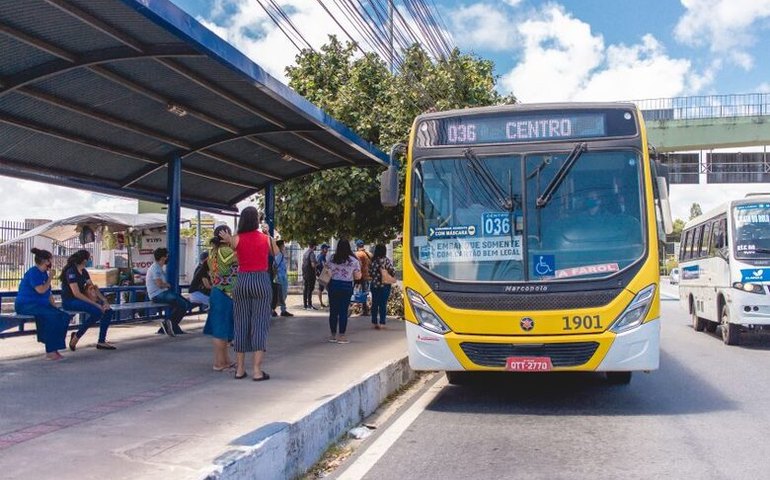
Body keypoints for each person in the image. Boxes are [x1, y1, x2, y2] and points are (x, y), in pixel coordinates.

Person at [219, 206, 279, 381]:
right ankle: (257, 371)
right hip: (261, 281)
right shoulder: (265, 239)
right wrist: (269, 234)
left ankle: (239, 370)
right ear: (257, 221)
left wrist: (229, 238)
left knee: (241, 323)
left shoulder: (236, 239)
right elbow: (276, 253)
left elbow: (232, 250)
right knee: (260, 323)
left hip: (242, 281)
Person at [14, 248, 70, 361]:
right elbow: (41, 290)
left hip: (41, 305)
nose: (51, 262)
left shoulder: (44, 274)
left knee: (63, 316)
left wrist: (55, 307)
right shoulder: (33, 272)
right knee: (52, 317)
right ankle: (50, 350)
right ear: (46, 261)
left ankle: (54, 346)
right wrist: (50, 278)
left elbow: (48, 293)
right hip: (26, 305)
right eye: (50, 260)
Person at [61, 249, 116, 351]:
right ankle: (77, 336)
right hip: (70, 301)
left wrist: (104, 301)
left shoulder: (84, 272)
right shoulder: (71, 272)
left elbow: (92, 287)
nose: (90, 260)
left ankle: (101, 341)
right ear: (84, 260)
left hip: (83, 299)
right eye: (89, 258)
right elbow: (76, 293)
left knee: (108, 311)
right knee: (97, 312)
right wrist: (96, 305)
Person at [203, 225, 237, 372]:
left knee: (222, 329)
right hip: (225, 293)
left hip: (218, 292)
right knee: (221, 330)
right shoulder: (226, 251)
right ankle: (218, 363)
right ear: (225, 235)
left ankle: (225, 360)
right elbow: (242, 256)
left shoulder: (213, 252)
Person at [146, 247, 191, 336]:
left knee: (185, 303)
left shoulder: (159, 268)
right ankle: (169, 323)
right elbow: (159, 284)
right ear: (163, 257)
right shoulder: (155, 268)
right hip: (157, 295)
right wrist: (167, 285)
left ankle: (170, 325)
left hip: (162, 293)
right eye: (167, 256)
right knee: (183, 303)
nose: (168, 258)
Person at [326, 239, 361, 344]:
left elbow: (326, 272)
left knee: (333, 311)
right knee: (343, 311)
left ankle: (332, 335)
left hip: (334, 285)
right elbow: (357, 276)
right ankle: (342, 336)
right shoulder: (353, 260)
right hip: (346, 286)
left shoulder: (332, 258)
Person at [368, 244, 397, 329]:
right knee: (383, 304)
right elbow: (392, 271)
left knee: (374, 304)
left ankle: (374, 322)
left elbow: (370, 273)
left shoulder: (372, 261)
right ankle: (382, 323)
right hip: (384, 285)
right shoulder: (385, 260)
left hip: (374, 285)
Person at [272, 240, 293, 317]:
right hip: (281, 277)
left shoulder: (280, 254)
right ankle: (279, 310)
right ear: (280, 246)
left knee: (281, 294)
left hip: (282, 276)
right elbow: (275, 265)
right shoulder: (279, 255)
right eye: (283, 245)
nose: (284, 247)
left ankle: (280, 310)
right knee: (282, 294)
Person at [354, 239, 372, 315]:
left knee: (357, 293)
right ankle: (365, 310)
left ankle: (360, 308)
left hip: (359, 276)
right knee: (365, 292)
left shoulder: (357, 254)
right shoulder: (369, 254)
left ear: (357, 246)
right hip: (368, 276)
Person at [302, 242, 319, 309]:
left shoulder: (305, 253)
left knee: (305, 289)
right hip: (311, 274)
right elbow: (313, 265)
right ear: (314, 246)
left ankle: (305, 305)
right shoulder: (312, 254)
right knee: (310, 289)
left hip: (305, 273)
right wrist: (317, 264)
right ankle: (309, 305)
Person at [316, 243, 330, 308]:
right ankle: (324, 303)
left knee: (322, 289)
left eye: (327, 248)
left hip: (321, 274)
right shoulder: (322, 256)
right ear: (322, 249)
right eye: (326, 248)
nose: (327, 250)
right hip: (323, 274)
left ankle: (323, 303)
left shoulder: (319, 255)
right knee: (328, 289)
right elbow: (324, 265)